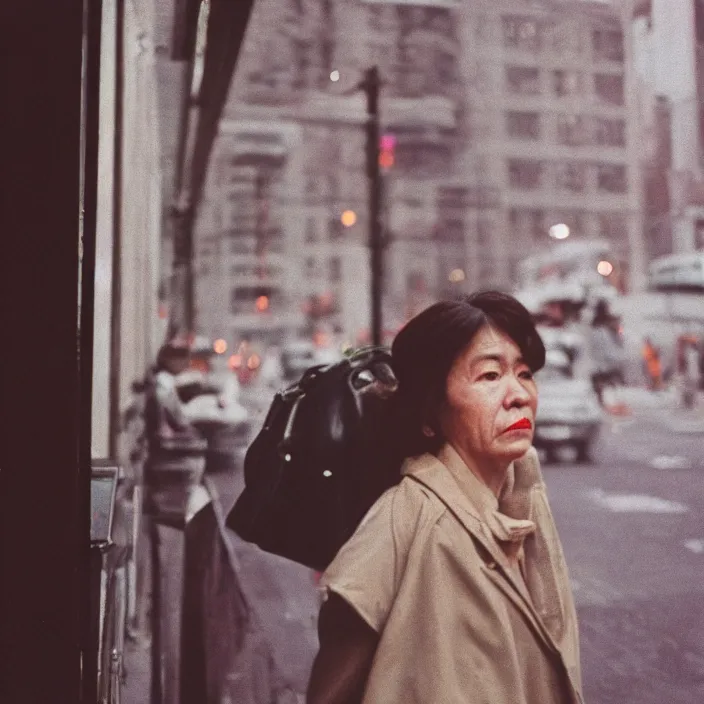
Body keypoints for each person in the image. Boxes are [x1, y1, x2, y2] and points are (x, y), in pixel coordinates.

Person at [307, 291, 583, 704]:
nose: (519, 394)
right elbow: (333, 688)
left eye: (524, 373)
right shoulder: (405, 518)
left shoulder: (524, 503)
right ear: (431, 412)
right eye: (490, 376)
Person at [588, 299, 625, 405]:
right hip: (606, 359)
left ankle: (603, 400)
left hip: (601, 360)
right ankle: (606, 400)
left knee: (603, 381)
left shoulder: (596, 325)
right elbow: (619, 338)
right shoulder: (605, 326)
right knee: (606, 380)